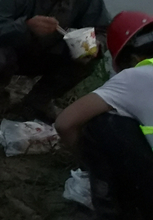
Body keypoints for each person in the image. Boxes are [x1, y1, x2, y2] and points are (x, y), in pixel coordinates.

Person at [55, 11, 153, 219]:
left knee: (101, 123)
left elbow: (65, 123)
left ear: (132, 58)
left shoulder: (134, 77)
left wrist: (88, 165)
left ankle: (113, 210)